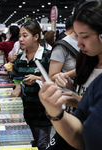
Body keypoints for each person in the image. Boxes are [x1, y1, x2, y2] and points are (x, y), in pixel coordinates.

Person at [39, 1, 102, 149]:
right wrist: (56, 111)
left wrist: (80, 103)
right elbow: (80, 136)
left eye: (84, 36)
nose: (79, 43)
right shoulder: (86, 61)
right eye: (77, 35)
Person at [11, 20, 52, 150]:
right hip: (24, 114)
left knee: (41, 146)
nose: (21, 39)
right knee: (25, 146)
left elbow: (54, 81)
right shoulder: (19, 58)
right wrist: (18, 86)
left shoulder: (47, 56)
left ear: (36, 37)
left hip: (42, 115)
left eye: (25, 35)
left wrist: (38, 79)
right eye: (19, 36)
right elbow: (15, 77)